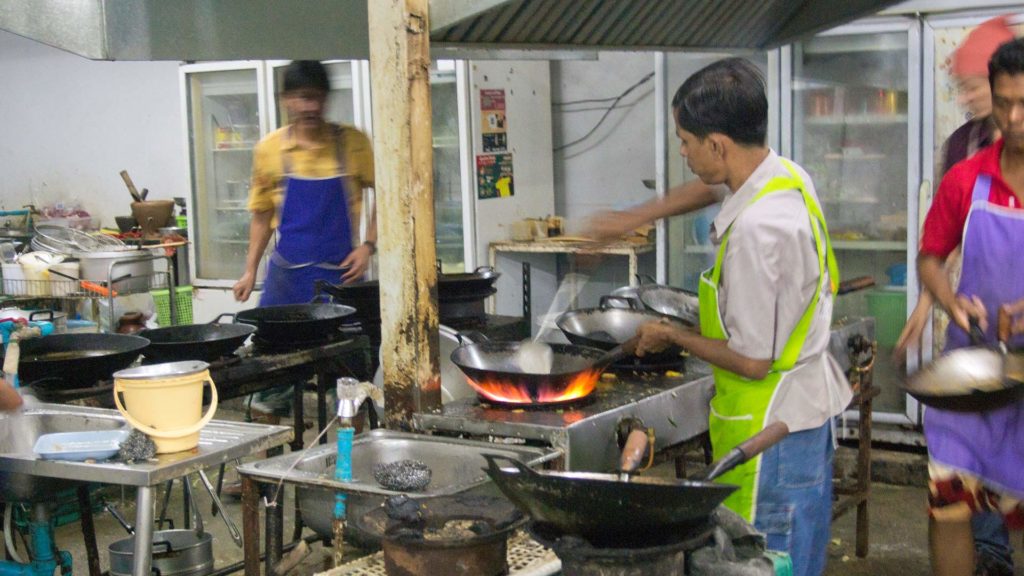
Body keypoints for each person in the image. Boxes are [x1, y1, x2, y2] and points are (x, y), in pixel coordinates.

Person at [631, 58, 850, 576]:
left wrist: (672, 334)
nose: (682, 152)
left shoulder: (756, 231)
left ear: (718, 146)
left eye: (685, 141)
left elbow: (753, 361)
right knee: (798, 561)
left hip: (768, 436)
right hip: (804, 420)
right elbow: (712, 188)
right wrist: (636, 216)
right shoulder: (786, 176)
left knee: (763, 562)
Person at [893, 17, 1016, 576]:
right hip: (975, 366)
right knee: (949, 502)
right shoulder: (965, 176)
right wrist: (943, 299)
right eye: (1004, 103)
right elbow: (930, 257)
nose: (1014, 119)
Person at [232, 60, 377, 424]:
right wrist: (249, 270)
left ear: (327, 100)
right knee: (266, 390)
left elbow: (389, 193)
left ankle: (351, 471)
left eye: (317, 98)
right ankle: (263, 478)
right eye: (302, 97)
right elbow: (262, 214)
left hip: (341, 284)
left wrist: (368, 245)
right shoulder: (270, 150)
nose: (311, 106)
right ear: (286, 100)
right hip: (286, 285)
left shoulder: (353, 144)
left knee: (352, 394)